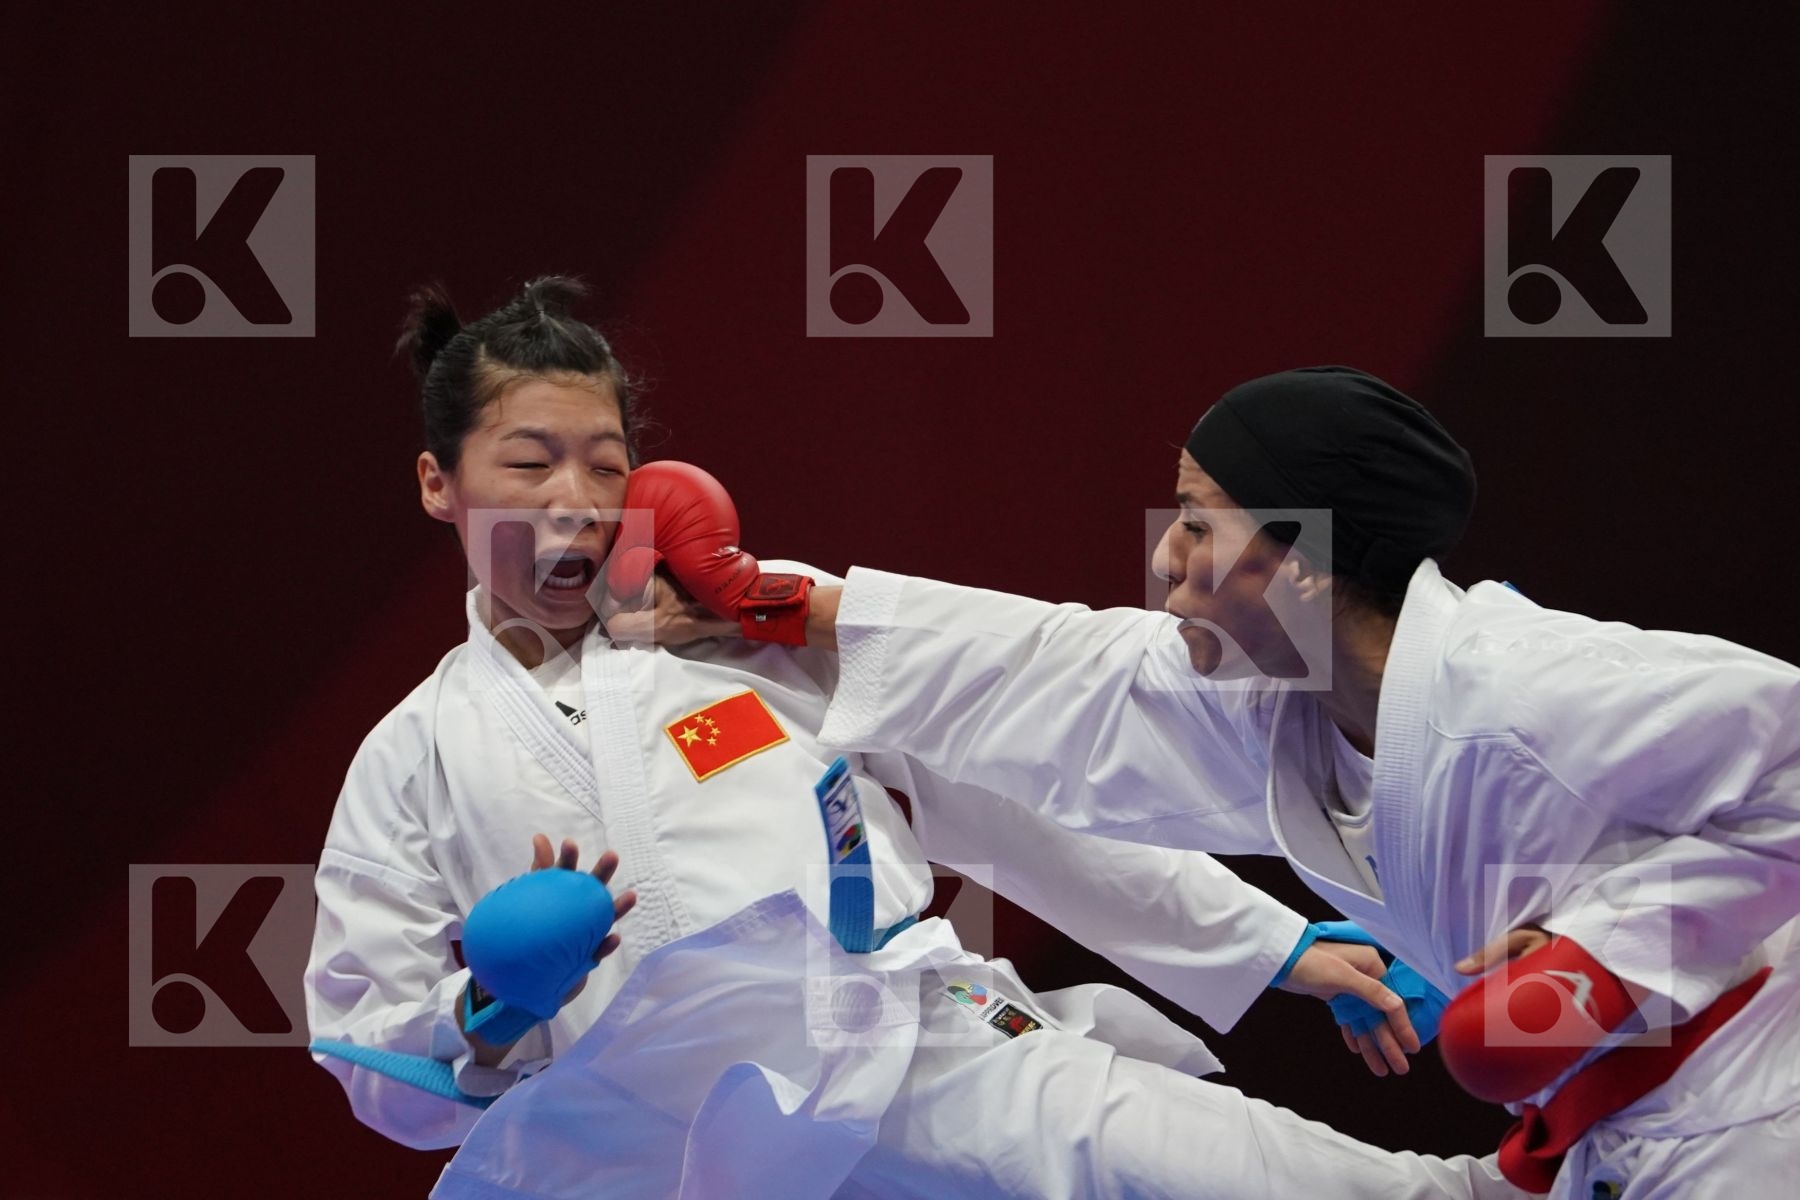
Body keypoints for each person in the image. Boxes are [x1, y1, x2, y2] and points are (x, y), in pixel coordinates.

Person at [303, 286, 1524, 1200]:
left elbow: (1012, 801)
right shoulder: (411, 759)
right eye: (530, 462)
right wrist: (489, 1006)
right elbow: (375, 1059)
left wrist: (1267, 944)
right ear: (436, 483)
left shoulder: (754, 628)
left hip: (896, 1035)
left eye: (607, 464)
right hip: (635, 1153)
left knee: (1187, 1161)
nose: (576, 498)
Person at [629, 365, 1799, 1197]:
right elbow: (1049, 673)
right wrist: (775, 600)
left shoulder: (1535, 687)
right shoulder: (1277, 699)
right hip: (1606, 1139)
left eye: (1196, 523)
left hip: (1758, 1110)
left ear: (1297, 560)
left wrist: (1608, 959)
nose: (1163, 559)